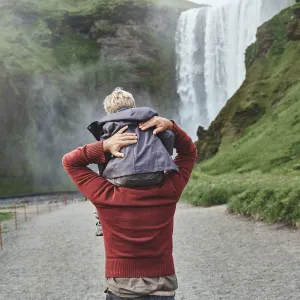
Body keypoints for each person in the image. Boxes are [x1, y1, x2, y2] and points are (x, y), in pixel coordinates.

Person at [62, 114, 197, 299]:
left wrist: (104, 146)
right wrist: (172, 126)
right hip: (162, 288)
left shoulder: (105, 194)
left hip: (121, 290)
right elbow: (189, 152)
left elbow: (70, 162)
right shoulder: (169, 189)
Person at [88, 88, 179, 237]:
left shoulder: (108, 125)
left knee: (98, 184)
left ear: (109, 111)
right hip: (153, 174)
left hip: (121, 177)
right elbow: (168, 136)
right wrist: (163, 159)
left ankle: (100, 223)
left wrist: (104, 174)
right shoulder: (149, 120)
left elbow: (103, 153)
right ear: (133, 106)